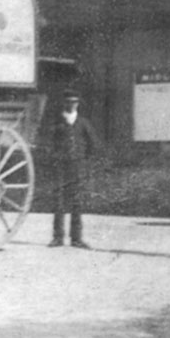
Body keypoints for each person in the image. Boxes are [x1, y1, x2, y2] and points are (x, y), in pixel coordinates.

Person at [49, 89, 98, 249]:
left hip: (77, 166)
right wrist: (54, 157)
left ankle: (76, 238)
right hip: (60, 166)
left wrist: (85, 161)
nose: (71, 105)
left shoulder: (83, 122)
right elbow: (49, 142)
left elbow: (92, 144)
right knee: (59, 201)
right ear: (65, 103)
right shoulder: (57, 122)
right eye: (68, 102)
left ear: (78, 104)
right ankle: (58, 237)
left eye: (74, 102)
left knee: (77, 202)